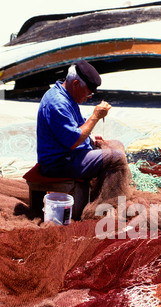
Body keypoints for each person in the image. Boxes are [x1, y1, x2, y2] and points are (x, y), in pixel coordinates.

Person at [36, 59, 131, 204]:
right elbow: (73, 141)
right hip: (58, 163)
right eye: (88, 93)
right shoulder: (58, 103)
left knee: (117, 145)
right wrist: (95, 116)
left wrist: (90, 136)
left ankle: (99, 196)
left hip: (69, 155)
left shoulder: (66, 94)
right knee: (116, 157)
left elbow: (77, 125)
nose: (90, 97)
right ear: (75, 84)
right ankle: (105, 206)